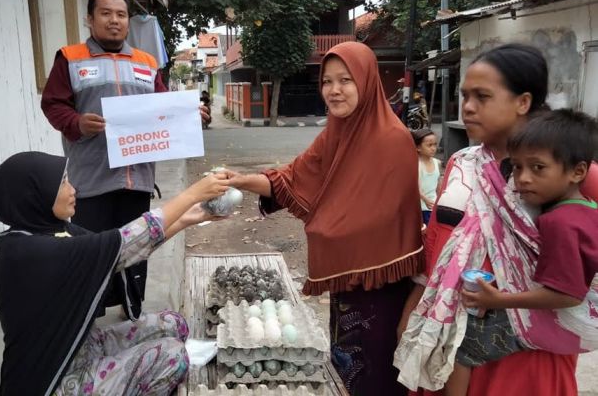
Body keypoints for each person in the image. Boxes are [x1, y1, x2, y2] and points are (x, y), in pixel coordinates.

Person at [394, 43, 598, 396]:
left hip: (529, 350)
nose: (468, 107)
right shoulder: (463, 164)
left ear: (523, 101)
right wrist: (414, 311)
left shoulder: (576, 175)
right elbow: (440, 245)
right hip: (451, 333)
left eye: (482, 96)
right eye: (465, 96)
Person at [226, 42, 424, 395]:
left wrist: (325, 231)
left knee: (376, 377)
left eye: (345, 80)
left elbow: (379, 221)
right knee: (345, 369)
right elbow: (290, 179)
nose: (334, 90)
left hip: (382, 289)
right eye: (327, 81)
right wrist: (236, 180)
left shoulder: (393, 140)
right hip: (345, 285)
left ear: (366, 81)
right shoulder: (335, 133)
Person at [0, 151, 229, 395]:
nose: (73, 189)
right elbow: (126, 243)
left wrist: (190, 217)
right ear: (37, 195)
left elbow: (129, 245)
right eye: (64, 182)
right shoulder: (28, 253)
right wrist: (193, 193)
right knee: (173, 356)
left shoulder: (47, 232)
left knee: (173, 325)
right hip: (55, 380)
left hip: (81, 350)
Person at [40, 0, 211, 320]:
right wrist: (76, 122)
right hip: (92, 178)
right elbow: (53, 105)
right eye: (105, 14)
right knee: (95, 249)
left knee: (139, 245)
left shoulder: (146, 63)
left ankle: (132, 309)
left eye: (120, 15)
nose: (114, 21)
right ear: (90, 19)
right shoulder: (70, 58)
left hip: (137, 177)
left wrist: (192, 115)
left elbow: (164, 107)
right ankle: (92, 314)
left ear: (127, 22)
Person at [445, 108, 598, 396]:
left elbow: (566, 294)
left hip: (568, 320)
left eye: (537, 168)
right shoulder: (588, 208)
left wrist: (500, 299)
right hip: (584, 324)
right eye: (516, 167)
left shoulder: (558, 222)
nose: (523, 179)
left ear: (578, 171)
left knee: (461, 349)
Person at [412, 129, 441, 225]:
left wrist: (440, 200)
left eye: (435, 144)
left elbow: (438, 185)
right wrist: (425, 199)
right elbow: (414, 187)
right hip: (422, 209)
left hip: (434, 206)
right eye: (429, 145)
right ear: (418, 148)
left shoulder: (437, 162)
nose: (433, 148)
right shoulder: (417, 165)